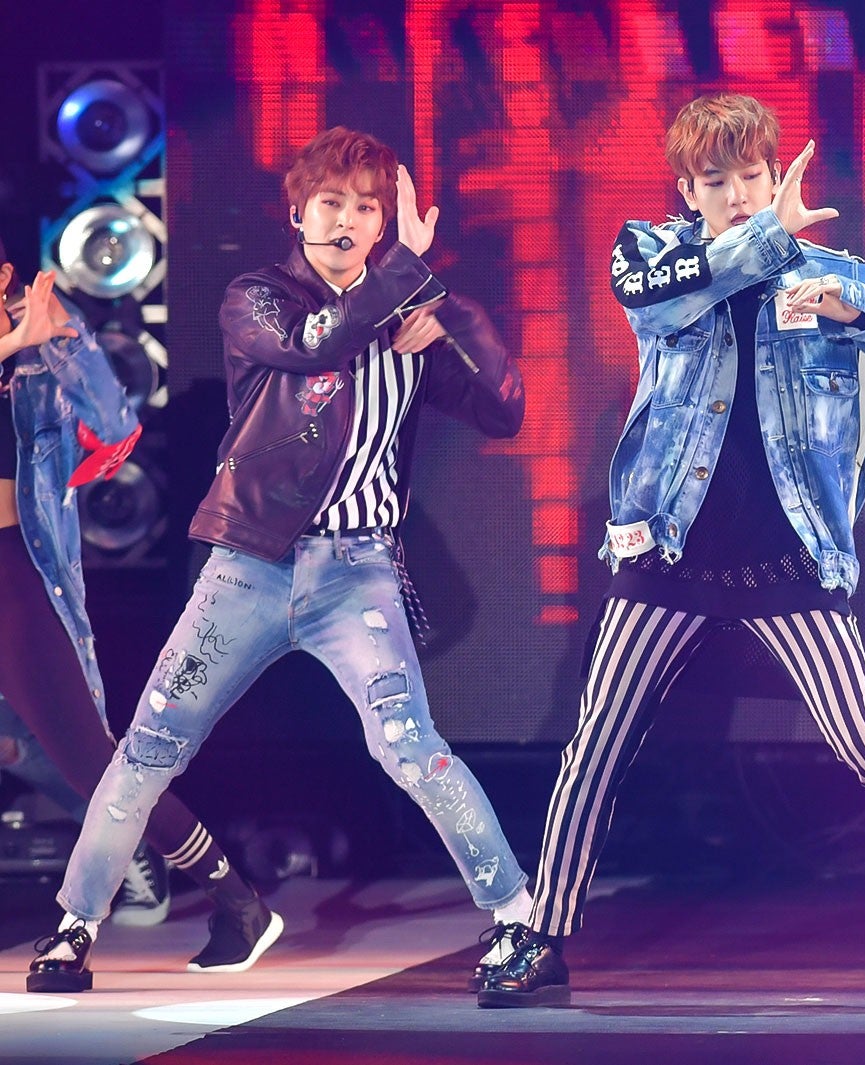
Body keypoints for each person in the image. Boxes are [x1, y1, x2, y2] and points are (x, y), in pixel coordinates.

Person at [478, 92, 865, 1010]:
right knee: (597, 740)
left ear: (773, 175)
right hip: (668, 549)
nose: (736, 194)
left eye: (751, 176)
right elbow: (653, 300)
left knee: (863, 736)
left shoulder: (829, 273)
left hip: (787, 558)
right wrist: (767, 239)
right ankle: (544, 937)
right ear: (687, 190)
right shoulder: (654, 256)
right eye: (714, 180)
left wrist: (850, 307)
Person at [28, 127, 533, 994]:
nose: (347, 220)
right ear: (298, 213)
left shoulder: (408, 315)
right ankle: (75, 926)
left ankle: (518, 919)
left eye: (366, 208)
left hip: (359, 573)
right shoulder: (257, 297)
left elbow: (505, 409)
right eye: (331, 202)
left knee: (411, 748)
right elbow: (313, 345)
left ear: (383, 224)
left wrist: (450, 315)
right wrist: (404, 276)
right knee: (149, 747)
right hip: (248, 566)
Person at [0, 258, 269, 991]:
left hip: (14, 579)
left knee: (95, 765)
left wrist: (58, 342)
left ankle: (235, 899)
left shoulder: (43, 346)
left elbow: (116, 428)